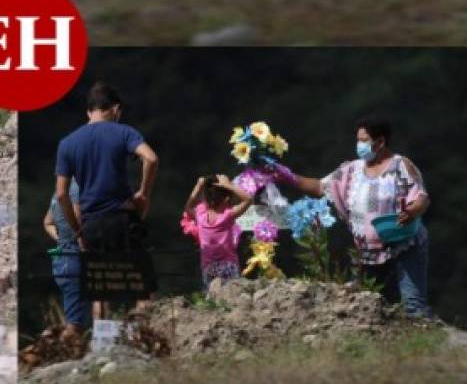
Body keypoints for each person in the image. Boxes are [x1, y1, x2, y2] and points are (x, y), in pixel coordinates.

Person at [286, 117, 432, 317]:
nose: (359, 145)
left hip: (405, 243)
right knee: (366, 304)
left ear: (380, 142)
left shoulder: (401, 166)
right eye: (358, 140)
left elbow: (422, 197)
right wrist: (284, 175)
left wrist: (412, 211)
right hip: (370, 252)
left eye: (364, 140)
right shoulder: (352, 169)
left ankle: (427, 338)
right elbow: (320, 187)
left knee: (413, 306)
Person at [53, 81, 159, 310]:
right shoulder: (124, 132)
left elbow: (62, 194)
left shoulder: (67, 143)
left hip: (91, 223)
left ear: (89, 111)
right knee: (142, 286)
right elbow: (150, 158)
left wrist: (77, 229)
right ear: (115, 109)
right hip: (123, 218)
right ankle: (144, 338)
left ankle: (103, 343)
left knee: (100, 291)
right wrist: (144, 193)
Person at [183, 174, 252, 290]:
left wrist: (198, 186)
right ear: (227, 199)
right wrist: (228, 185)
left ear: (206, 199)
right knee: (232, 298)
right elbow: (248, 199)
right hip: (228, 265)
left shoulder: (200, 215)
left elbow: (187, 207)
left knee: (212, 299)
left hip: (208, 267)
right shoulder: (227, 216)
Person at [43, 179, 91, 337]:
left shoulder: (61, 189)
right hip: (74, 257)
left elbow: (48, 222)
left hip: (62, 259)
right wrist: (79, 239)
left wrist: (61, 239)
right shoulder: (78, 188)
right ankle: (62, 351)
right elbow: (77, 218)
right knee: (75, 323)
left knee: (77, 318)